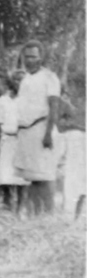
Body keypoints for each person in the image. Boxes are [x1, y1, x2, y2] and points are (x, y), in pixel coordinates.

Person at [13, 41, 62, 216]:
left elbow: (54, 107)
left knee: (45, 175)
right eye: (26, 57)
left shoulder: (49, 77)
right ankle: (36, 213)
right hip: (26, 131)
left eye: (33, 56)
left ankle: (49, 213)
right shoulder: (25, 78)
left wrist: (48, 134)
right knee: (32, 176)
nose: (29, 60)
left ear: (41, 57)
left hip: (42, 128)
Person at [0, 73, 27, 216]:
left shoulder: (27, 100)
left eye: (22, 80)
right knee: (6, 173)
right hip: (7, 138)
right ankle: (8, 202)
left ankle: (21, 206)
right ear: (12, 82)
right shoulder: (2, 101)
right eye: (16, 80)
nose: (19, 83)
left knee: (22, 175)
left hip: (22, 139)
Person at [57, 81, 85, 219]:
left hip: (76, 140)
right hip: (67, 139)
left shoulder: (70, 106)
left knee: (76, 178)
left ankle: (75, 213)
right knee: (70, 177)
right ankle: (70, 212)